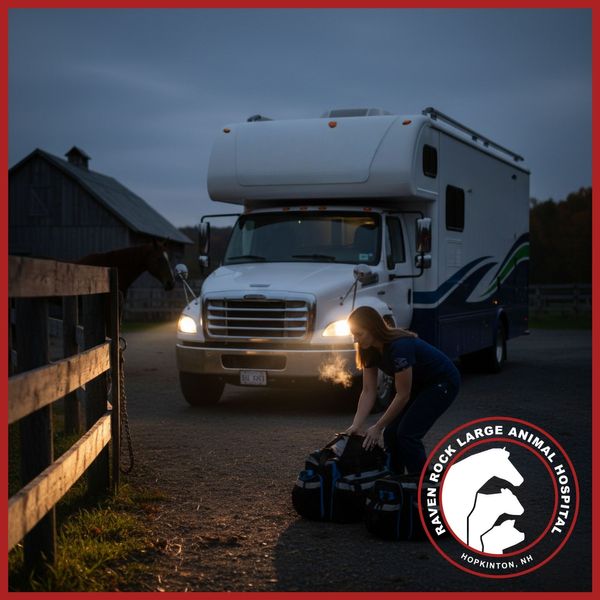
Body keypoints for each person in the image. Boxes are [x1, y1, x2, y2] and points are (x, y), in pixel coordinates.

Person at [344, 306, 460, 476]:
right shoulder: (367, 349)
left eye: (359, 334)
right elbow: (369, 390)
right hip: (419, 385)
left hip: (442, 382)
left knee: (407, 435)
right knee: (391, 434)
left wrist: (378, 426)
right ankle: (395, 483)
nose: (355, 339)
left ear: (373, 328)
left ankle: (421, 488)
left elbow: (403, 395)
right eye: (353, 335)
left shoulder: (399, 346)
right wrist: (356, 424)